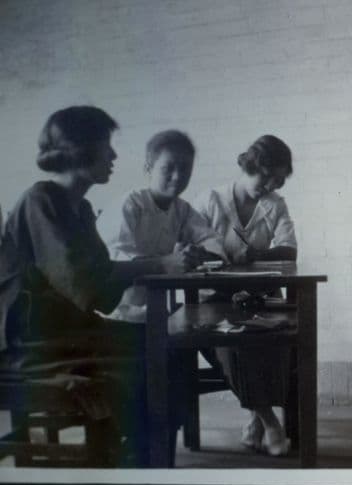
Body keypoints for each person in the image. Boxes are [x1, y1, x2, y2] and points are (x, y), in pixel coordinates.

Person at [0, 106, 195, 465]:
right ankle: (139, 463)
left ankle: (147, 460)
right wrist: (157, 264)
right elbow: (86, 286)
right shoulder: (40, 200)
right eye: (106, 145)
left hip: (69, 330)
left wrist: (123, 272)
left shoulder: (82, 209)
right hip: (29, 339)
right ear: (79, 149)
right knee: (155, 356)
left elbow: (100, 297)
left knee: (171, 348)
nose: (114, 155)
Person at [194, 134, 296, 456]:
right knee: (233, 343)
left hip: (259, 296)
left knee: (278, 337)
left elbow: (290, 251)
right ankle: (270, 423)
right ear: (249, 165)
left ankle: (255, 419)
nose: (268, 185)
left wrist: (254, 255)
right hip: (215, 299)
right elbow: (190, 251)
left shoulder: (275, 205)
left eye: (276, 180)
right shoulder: (210, 200)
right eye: (263, 175)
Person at [99, 129, 226, 322]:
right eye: (168, 168)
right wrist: (168, 262)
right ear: (148, 169)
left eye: (185, 169)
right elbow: (116, 261)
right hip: (118, 311)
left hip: (155, 306)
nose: (177, 176)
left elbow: (210, 239)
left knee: (214, 316)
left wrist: (201, 254)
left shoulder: (181, 209)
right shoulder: (130, 204)